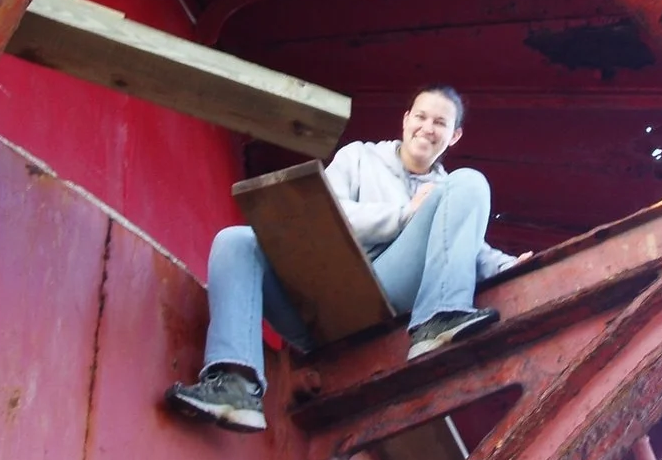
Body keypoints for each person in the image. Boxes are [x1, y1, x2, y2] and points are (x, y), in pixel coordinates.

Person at [166, 85, 532, 433]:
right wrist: (403, 214)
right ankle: (235, 382)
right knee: (236, 240)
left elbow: (469, 249)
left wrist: (507, 267)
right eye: (421, 117)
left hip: (384, 293)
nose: (427, 128)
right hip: (322, 294)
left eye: (440, 123)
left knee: (470, 182)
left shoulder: (448, 189)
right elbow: (328, 214)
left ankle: (437, 319)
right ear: (405, 119)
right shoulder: (360, 156)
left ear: (454, 136)